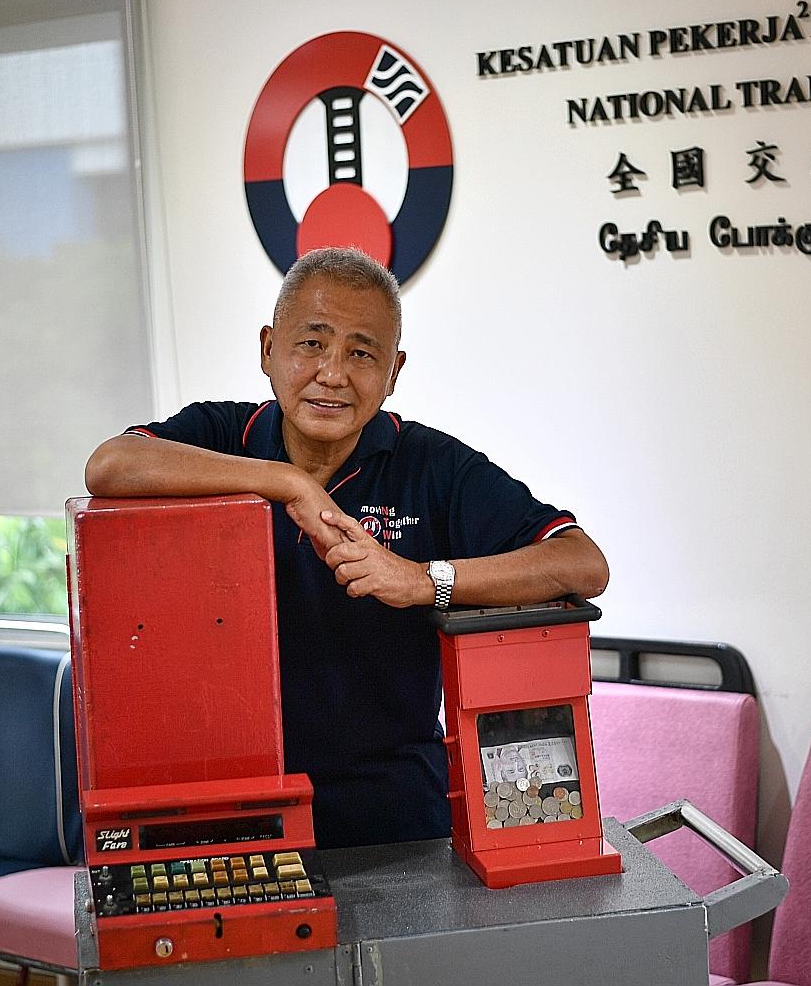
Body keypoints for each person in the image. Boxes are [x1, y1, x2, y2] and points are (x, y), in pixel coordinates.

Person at [85, 246, 609, 848]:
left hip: (392, 812)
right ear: (267, 350)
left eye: (362, 353)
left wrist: (421, 580)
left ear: (394, 371)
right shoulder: (223, 435)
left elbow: (581, 562)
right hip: (233, 806)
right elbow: (110, 466)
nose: (333, 374)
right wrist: (285, 482)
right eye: (312, 343)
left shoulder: (432, 466)